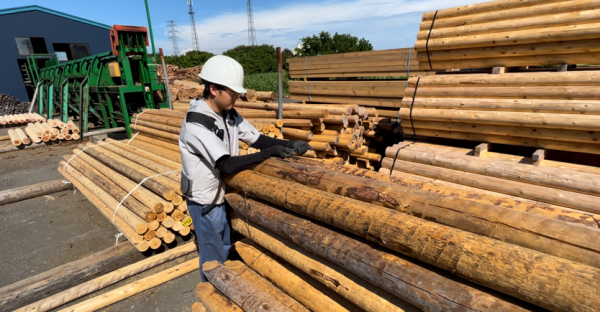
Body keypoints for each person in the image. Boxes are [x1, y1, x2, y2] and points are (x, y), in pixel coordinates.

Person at [178, 55, 312, 281]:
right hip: (204, 201)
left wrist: (288, 144)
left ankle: (227, 287)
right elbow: (226, 164)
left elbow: (257, 139)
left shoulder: (228, 114)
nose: (237, 99)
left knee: (227, 245)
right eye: (233, 93)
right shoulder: (197, 123)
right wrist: (268, 154)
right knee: (213, 256)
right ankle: (211, 296)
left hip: (221, 193)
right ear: (213, 89)